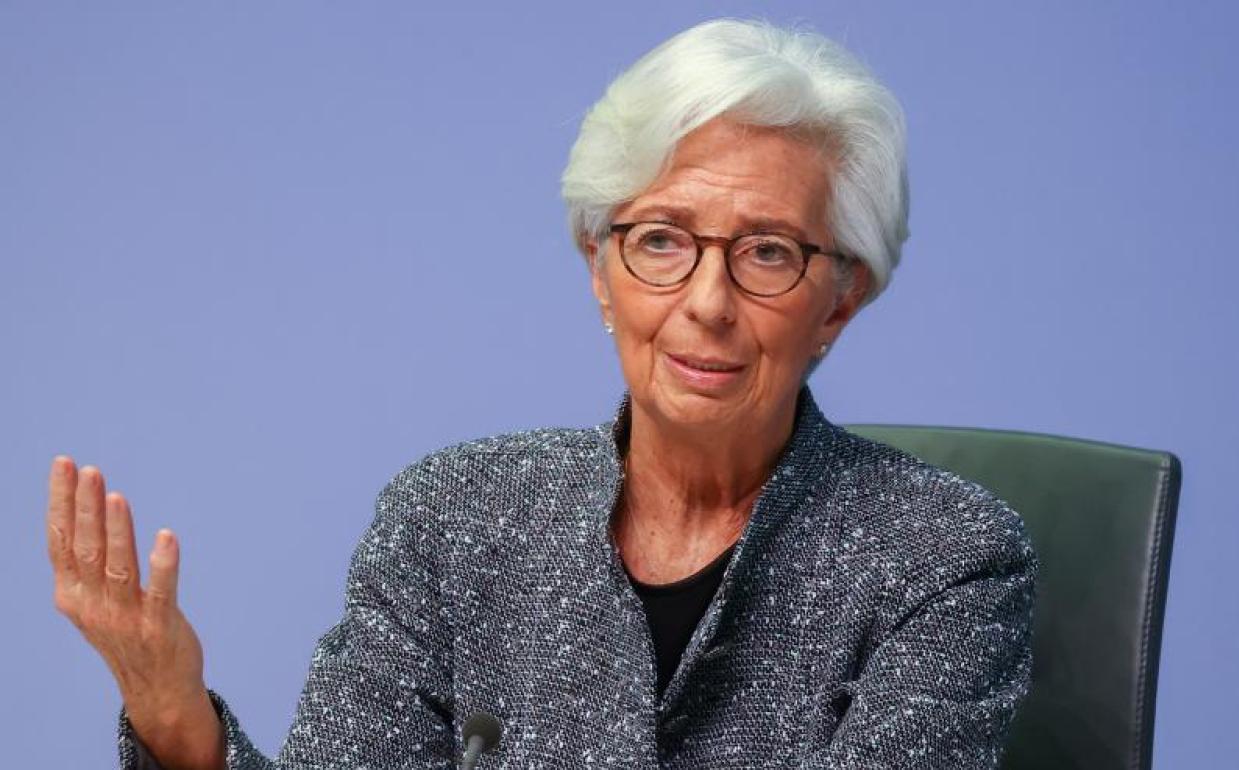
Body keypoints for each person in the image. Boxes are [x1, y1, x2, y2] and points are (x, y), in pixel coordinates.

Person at [46, 17, 1037, 769]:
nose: (706, 303)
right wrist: (181, 728)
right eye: (661, 241)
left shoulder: (946, 556)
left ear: (840, 302)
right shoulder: (451, 517)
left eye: (768, 252)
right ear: (600, 271)